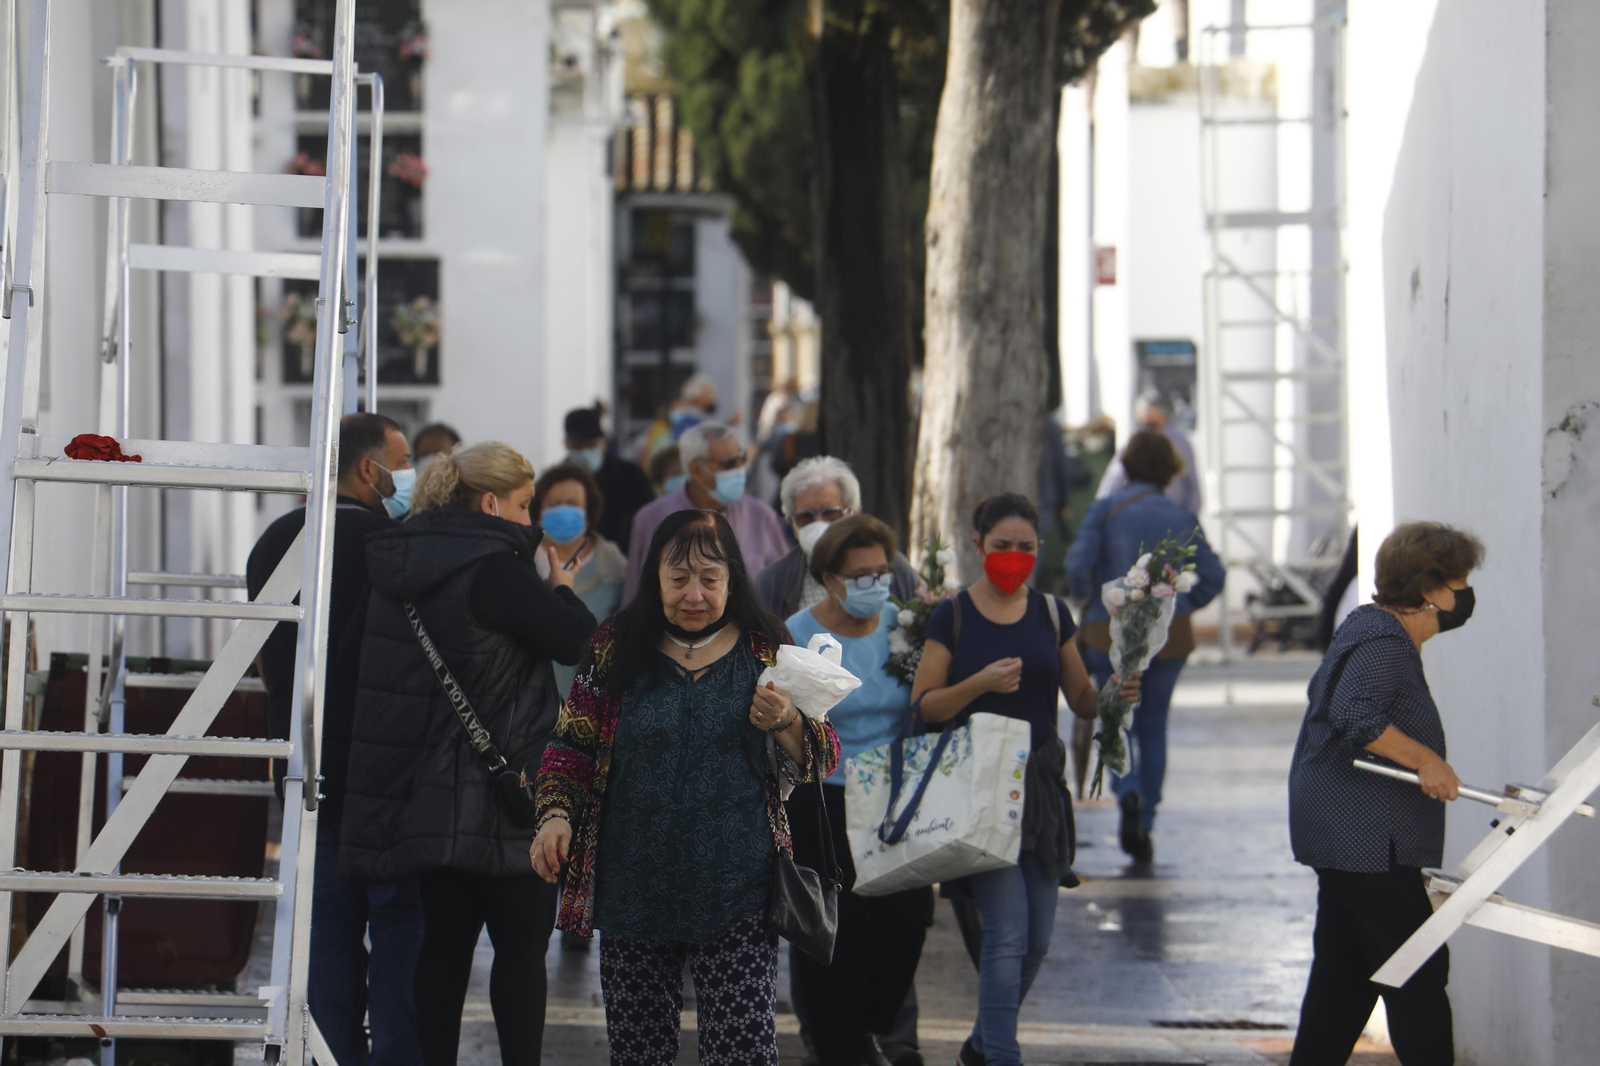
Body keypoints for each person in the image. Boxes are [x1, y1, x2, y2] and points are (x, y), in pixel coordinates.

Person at [531, 509, 841, 1066]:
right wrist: (555, 815)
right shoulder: (614, 646)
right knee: (639, 1052)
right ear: (655, 578)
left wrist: (789, 720)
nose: (693, 594)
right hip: (632, 891)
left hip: (738, 889)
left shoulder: (766, 649)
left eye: (709, 579)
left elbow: (824, 757)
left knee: (743, 1052)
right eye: (678, 579)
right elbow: (568, 746)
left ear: (732, 581)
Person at [339, 442, 598, 1066]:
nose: (531, 518)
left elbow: (355, 667)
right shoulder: (496, 568)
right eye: (523, 504)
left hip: (429, 794)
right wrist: (561, 588)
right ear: (489, 502)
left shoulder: (400, 563)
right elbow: (576, 641)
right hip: (510, 792)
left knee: (443, 952)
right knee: (519, 954)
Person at [912, 493, 1140, 1066]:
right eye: (1000, 547)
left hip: (1039, 792)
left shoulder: (1051, 613)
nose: (1013, 557)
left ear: (1039, 548)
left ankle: (980, 1046)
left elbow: (1081, 700)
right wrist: (979, 684)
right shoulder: (954, 615)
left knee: (1036, 941)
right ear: (978, 547)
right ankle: (1002, 1057)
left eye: (1024, 548)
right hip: (978, 789)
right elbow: (925, 706)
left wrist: (1113, 693)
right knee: (1007, 934)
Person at [246, 413, 421, 1066]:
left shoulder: (274, 542)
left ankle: (330, 1055)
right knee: (401, 929)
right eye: (400, 461)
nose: (408, 476)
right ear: (367, 467)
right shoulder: (392, 546)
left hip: (302, 768)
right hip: (386, 773)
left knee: (325, 935)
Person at [1286, 522, 1482, 1066]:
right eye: (1460, 582)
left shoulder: (1369, 628)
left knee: (1344, 983)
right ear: (1430, 589)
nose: (1465, 595)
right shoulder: (1385, 643)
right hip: (1364, 841)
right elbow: (1354, 716)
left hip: (1346, 836)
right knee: (1416, 970)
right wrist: (1426, 761)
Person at [785, 515, 934, 1066]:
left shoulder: (907, 625)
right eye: (860, 576)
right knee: (833, 939)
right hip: (825, 799)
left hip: (897, 800)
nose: (874, 585)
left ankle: (867, 1028)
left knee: (906, 924)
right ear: (829, 579)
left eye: (881, 573)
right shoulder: (798, 634)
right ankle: (839, 1047)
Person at [1067, 430, 1226, 862]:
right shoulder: (1180, 514)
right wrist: (1180, 603)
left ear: (1128, 465)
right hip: (1169, 636)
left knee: (1115, 717)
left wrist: (1093, 597)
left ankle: (1128, 788)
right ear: (1170, 469)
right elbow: (1214, 575)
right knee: (1154, 726)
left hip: (1109, 630)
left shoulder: (1105, 510)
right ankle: (1148, 818)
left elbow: (1077, 567)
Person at [621, 422, 789, 605]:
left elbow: (785, 588)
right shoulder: (650, 519)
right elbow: (633, 597)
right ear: (696, 470)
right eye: (729, 463)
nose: (740, 468)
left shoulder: (762, 516)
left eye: (742, 458)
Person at [755, 456, 920, 620]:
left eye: (831, 513)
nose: (819, 524)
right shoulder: (772, 583)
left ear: (854, 514)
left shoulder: (892, 568)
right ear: (793, 525)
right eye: (806, 517)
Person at [532, 460, 627, 699]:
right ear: (538, 511)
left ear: (589, 511)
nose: (563, 511)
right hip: (531, 710)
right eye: (554, 504)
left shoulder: (616, 571)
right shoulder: (521, 566)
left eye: (572, 504)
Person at [564, 406, 657, 554]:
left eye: (591, 445)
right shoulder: (557, 481)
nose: (585, 452)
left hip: (624, 561)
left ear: (603, 441)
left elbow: (650, 519)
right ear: (567, 444)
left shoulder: (631, 475)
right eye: (578, 446)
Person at [1096, 393, 1201, 515]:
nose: (1148, 427)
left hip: (1170, 517)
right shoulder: (1132, 444)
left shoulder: (1180, 443)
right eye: (1145, 423)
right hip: (1140, 516)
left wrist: (1188, 520)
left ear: (1163, 416)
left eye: (1152, 423)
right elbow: (1112, 482)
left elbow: (1192, 488)